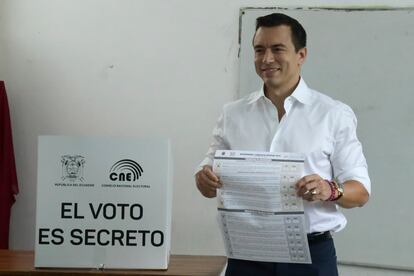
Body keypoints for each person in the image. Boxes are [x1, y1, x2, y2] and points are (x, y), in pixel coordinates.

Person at [195, 13, 370, 276]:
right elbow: (206, 180)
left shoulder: (333, 114)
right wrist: (204, 179)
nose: (266, 59)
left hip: (311, 257)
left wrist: (329, 189)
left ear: (301, 55)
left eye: (278, 49)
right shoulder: (233, 114)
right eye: (259, 50)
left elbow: (361, 192)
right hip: (247, 256)